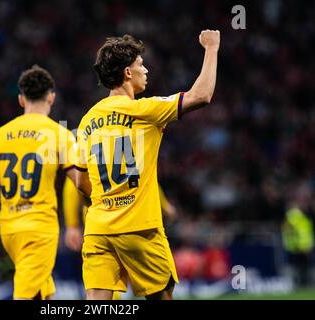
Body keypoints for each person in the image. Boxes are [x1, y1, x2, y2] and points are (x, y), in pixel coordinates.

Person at [75, 31, 220, 300]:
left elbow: (80, 183)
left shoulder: (87, 121)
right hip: (139, 228)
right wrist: (212, 48)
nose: (146, 69)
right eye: (141, 64)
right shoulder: (145, 110)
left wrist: (104, 206)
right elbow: (202, 95)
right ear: (128, 73)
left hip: (98, 230)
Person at [0, 65, 87, 300]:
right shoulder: (60, 135)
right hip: (39, 228)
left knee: (43, 293)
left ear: (21, 99)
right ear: (52, 97)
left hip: (9, 230)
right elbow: (79, 182)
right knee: (25, 295)